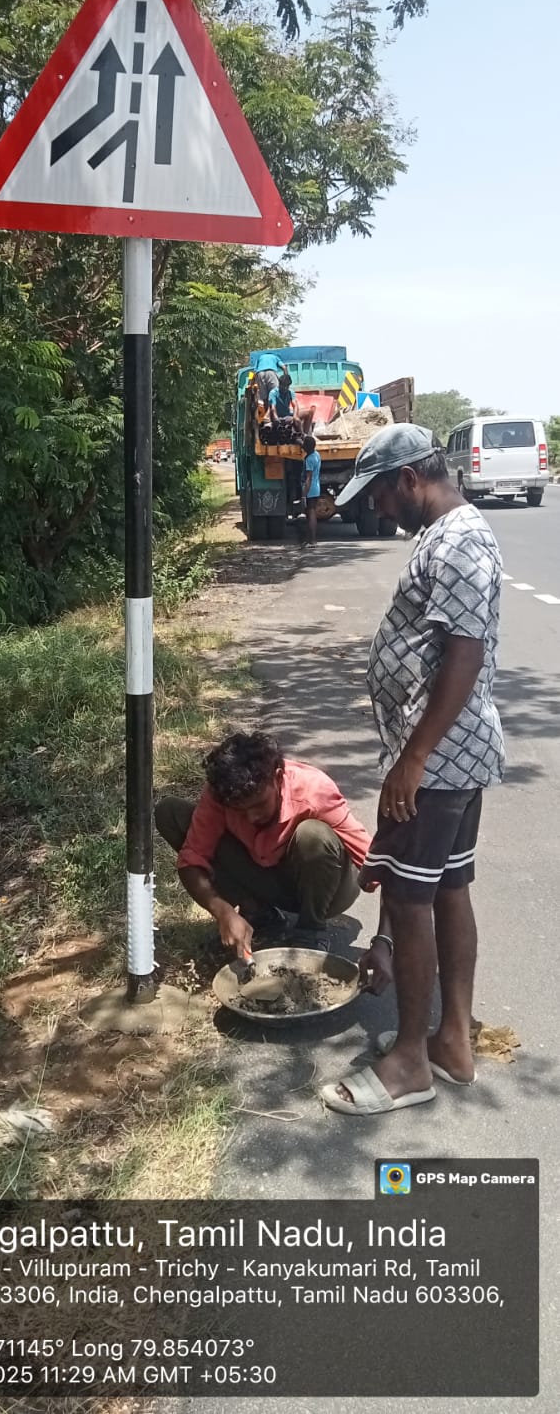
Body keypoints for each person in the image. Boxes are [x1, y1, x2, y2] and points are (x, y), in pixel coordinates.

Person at [319, 424, 504, 1116]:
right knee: (447, 887)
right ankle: (451, 1042)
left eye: (379, 495)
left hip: (439, 759)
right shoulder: (445, 535)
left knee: (407, 895)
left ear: (407, 479)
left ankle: (406, 1063)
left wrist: (413, 758)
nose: (378, 510)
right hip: (448, 753)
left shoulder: (457, 540)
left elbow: (462, 653)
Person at [155, 732, 373, 956]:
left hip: (329, 891)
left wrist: (384, 941)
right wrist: (222, 911)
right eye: (240, 811)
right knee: (171, 813)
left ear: (278, 777)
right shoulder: (221, 793)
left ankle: (310, 931)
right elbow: (192, 857)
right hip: (267, 878)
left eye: (259, 804)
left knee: (313, 835)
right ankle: (259, 915)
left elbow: (380, 864)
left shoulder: (314, 790)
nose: (252, 818)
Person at [301, 435, 321, 546]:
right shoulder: (316, 455)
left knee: (311, 513)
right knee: (310, 513)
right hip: (316, 487)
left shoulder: (309, 460)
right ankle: (309, 539)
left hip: (310, 489)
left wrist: (304, 494)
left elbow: (308, 478)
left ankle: (313, 540)